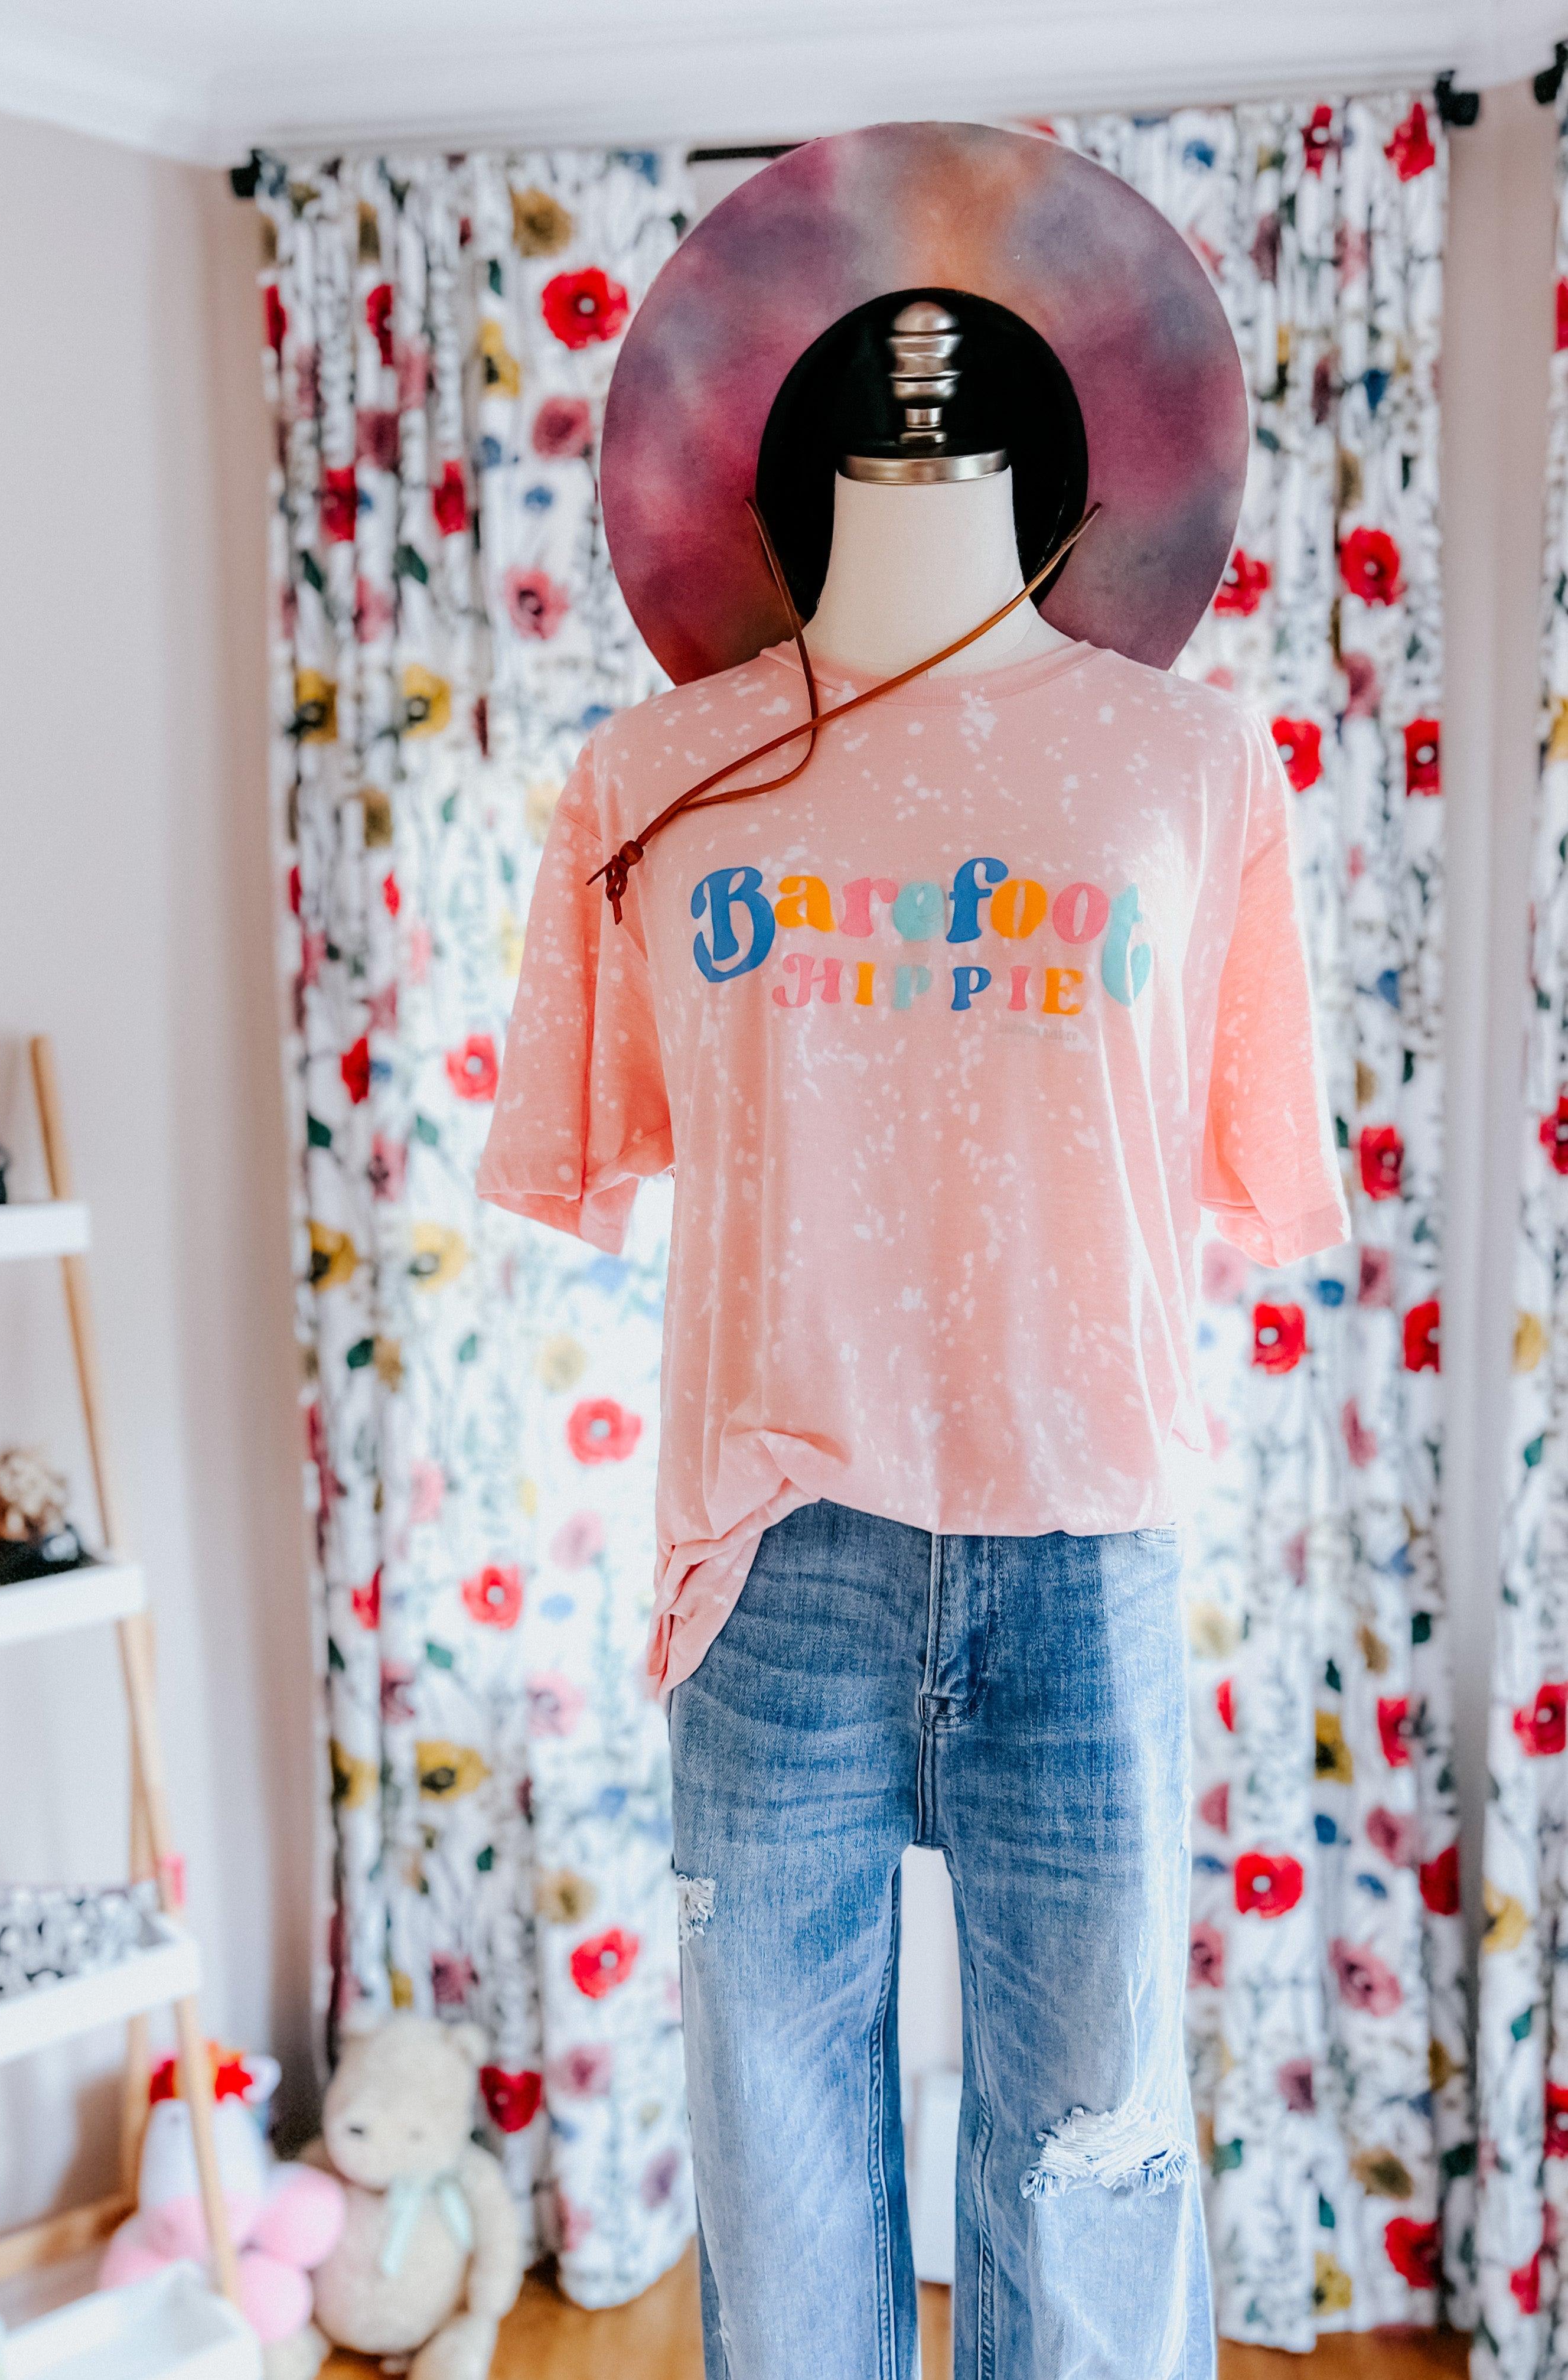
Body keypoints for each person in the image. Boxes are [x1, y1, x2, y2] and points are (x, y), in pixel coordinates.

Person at [480, 120, 1349, 2380]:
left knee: (1091, 2168)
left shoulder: (1194, 773)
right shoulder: (652, 787)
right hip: (776, 1560)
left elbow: (1249, 1177)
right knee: (780, 2183)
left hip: (1085, 1542)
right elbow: (600, 1147)